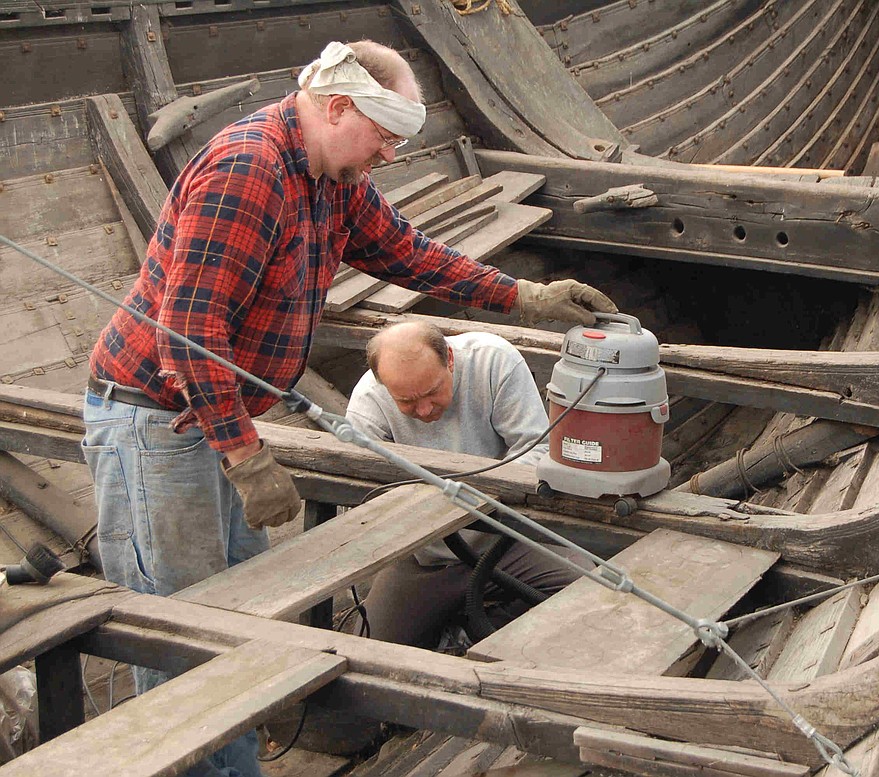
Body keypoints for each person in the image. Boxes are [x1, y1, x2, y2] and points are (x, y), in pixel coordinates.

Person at [81, 40, 614, 777]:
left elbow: (408, 251)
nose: (389, 155)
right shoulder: (248, 169)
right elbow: (191, 330)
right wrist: (244, 453)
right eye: (384, 137)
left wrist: (521, 295)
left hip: (210, 420)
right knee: (183, 630)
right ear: (337, 107)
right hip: (154, 421)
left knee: (238, 619)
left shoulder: (331, 176)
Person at [346, 320, 589, 648]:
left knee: (588, 589)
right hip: (423, 557)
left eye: (433, 391)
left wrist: (469, 497)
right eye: (407, 402)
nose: (425, 409)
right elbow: (364, 494)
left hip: (506, 541)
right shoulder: (368, 405)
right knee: (370, 647)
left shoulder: (494, 362)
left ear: (449, 358)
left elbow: (537, 451)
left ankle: (471, 635)